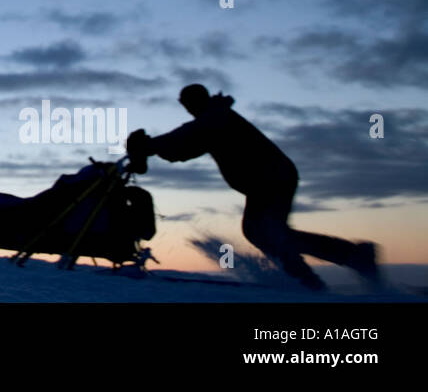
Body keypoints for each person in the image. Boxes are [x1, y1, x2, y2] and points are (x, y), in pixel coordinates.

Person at [127, 84, 379, 291]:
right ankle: (322, 268)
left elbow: (187, 136)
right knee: (261, 232)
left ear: (198, 100)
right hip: (265, 181)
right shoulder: (212, 121)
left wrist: (149, 145)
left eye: (190, 102)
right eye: (185, 103)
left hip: (272, 178)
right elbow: (184, 149)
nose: (188, 107)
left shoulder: (216, 117)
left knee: (269, 232)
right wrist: (152, 148)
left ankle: (324, 270)